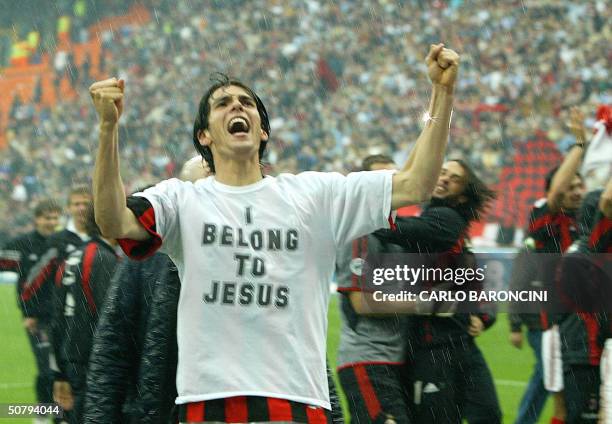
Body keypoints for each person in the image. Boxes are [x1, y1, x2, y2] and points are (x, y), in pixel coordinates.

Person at [89, 42, 459, 423]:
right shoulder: (182, 200)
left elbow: (416, 184)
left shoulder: (315, 195)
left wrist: (442, 94)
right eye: (223, 103)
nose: (237, 106)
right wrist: (107, 129)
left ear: (263, 131)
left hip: (296, 399)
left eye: (247, 103)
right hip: (208, 400)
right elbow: (113, 221)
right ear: (204, 136)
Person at [373, 159, 500, 424]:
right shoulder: (453, 224)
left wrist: (361, 215)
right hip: (453, 340)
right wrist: (483, 316)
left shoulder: (447, 219)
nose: (443, 179)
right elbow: (474, 281)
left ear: (463, 194)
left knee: (441, 417)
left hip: (434, 344)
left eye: (453, 178)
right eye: (442, 172)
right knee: (486, 414)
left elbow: (399, 230)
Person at [335, 155, 411, 424]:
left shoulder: (400, 234)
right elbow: (363, 303)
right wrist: (428, 303)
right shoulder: (359, 232)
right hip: (367, 361)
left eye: (394, 179)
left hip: (396, 361)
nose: (389, 187)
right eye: (380, 181)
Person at [526, 107, 588, 424]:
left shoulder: (590, 218)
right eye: (571, 186)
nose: (577, 191)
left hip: (594, 320)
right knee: (563, 406)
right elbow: (557, 193)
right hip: (558, 324)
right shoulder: (545, 215)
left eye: (581, 185)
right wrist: (579, 146)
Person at [51, 203, 119, 424]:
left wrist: (59, 370)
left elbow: (57, 316)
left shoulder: (74, 256)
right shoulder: (103, 258)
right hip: (92, 358)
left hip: (71, 353)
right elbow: (108, 317)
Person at [0, 199, 62, 424]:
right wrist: (27, 312)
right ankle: (43, 415)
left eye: (55, 218)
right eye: (47, 218)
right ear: (37, 219)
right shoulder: (21, 245)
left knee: (62, 370)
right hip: (36, 320)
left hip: (63, 319)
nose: (51, 222)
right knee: (46, 370)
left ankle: (60, 416)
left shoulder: (62, 244)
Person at [20, 186, 93, 323]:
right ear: (69, 208)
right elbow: (37, 277)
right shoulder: (57, 240)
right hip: (61, 314)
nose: (81, 208)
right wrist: (31, 312)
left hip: (94, 312)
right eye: (76, 204)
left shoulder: (103, 237)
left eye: (86, 204)